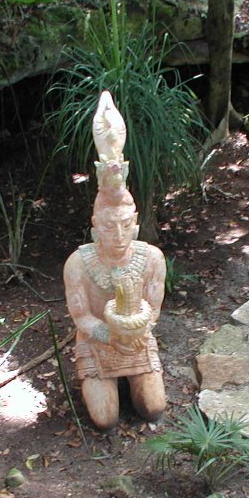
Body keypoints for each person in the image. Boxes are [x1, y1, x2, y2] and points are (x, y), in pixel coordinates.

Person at [63, 92, 167, 430]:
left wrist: (133, 331)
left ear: (135, 225)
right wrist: (110, 334)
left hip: (136, 339)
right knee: (105, 419)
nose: (119, 235)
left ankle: (136, 381)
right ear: (96, 227)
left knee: (152, 407)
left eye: (125, 226)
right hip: (97, 341)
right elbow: (80, 315)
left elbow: (152, 310)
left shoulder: (151, 259)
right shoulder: (78, 264)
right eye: (109, 227)